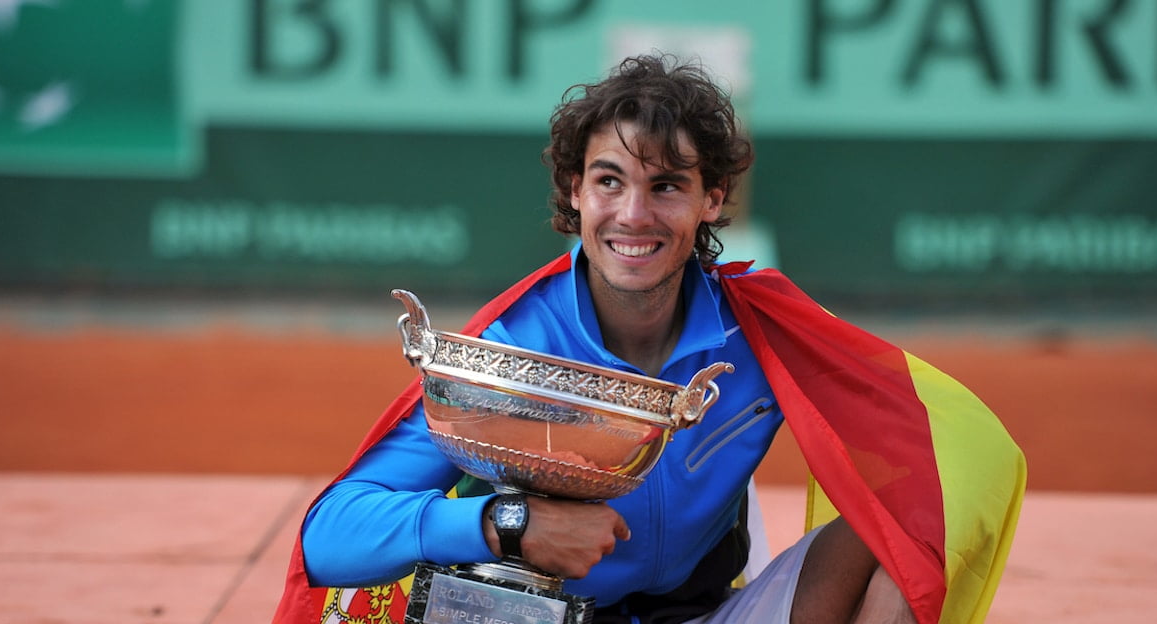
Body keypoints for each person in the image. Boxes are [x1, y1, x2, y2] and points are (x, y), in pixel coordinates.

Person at [273, 54, 1025, 624]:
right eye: (608, 181)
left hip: (705, 614)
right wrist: (508, 525)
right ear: (574, 191)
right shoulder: (515, 342)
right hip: (537, 617)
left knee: (901, 526)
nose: (633, 214)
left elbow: (909, 436)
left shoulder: (758, 334)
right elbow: (327, 537)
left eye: (666, 186)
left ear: (711, 199)